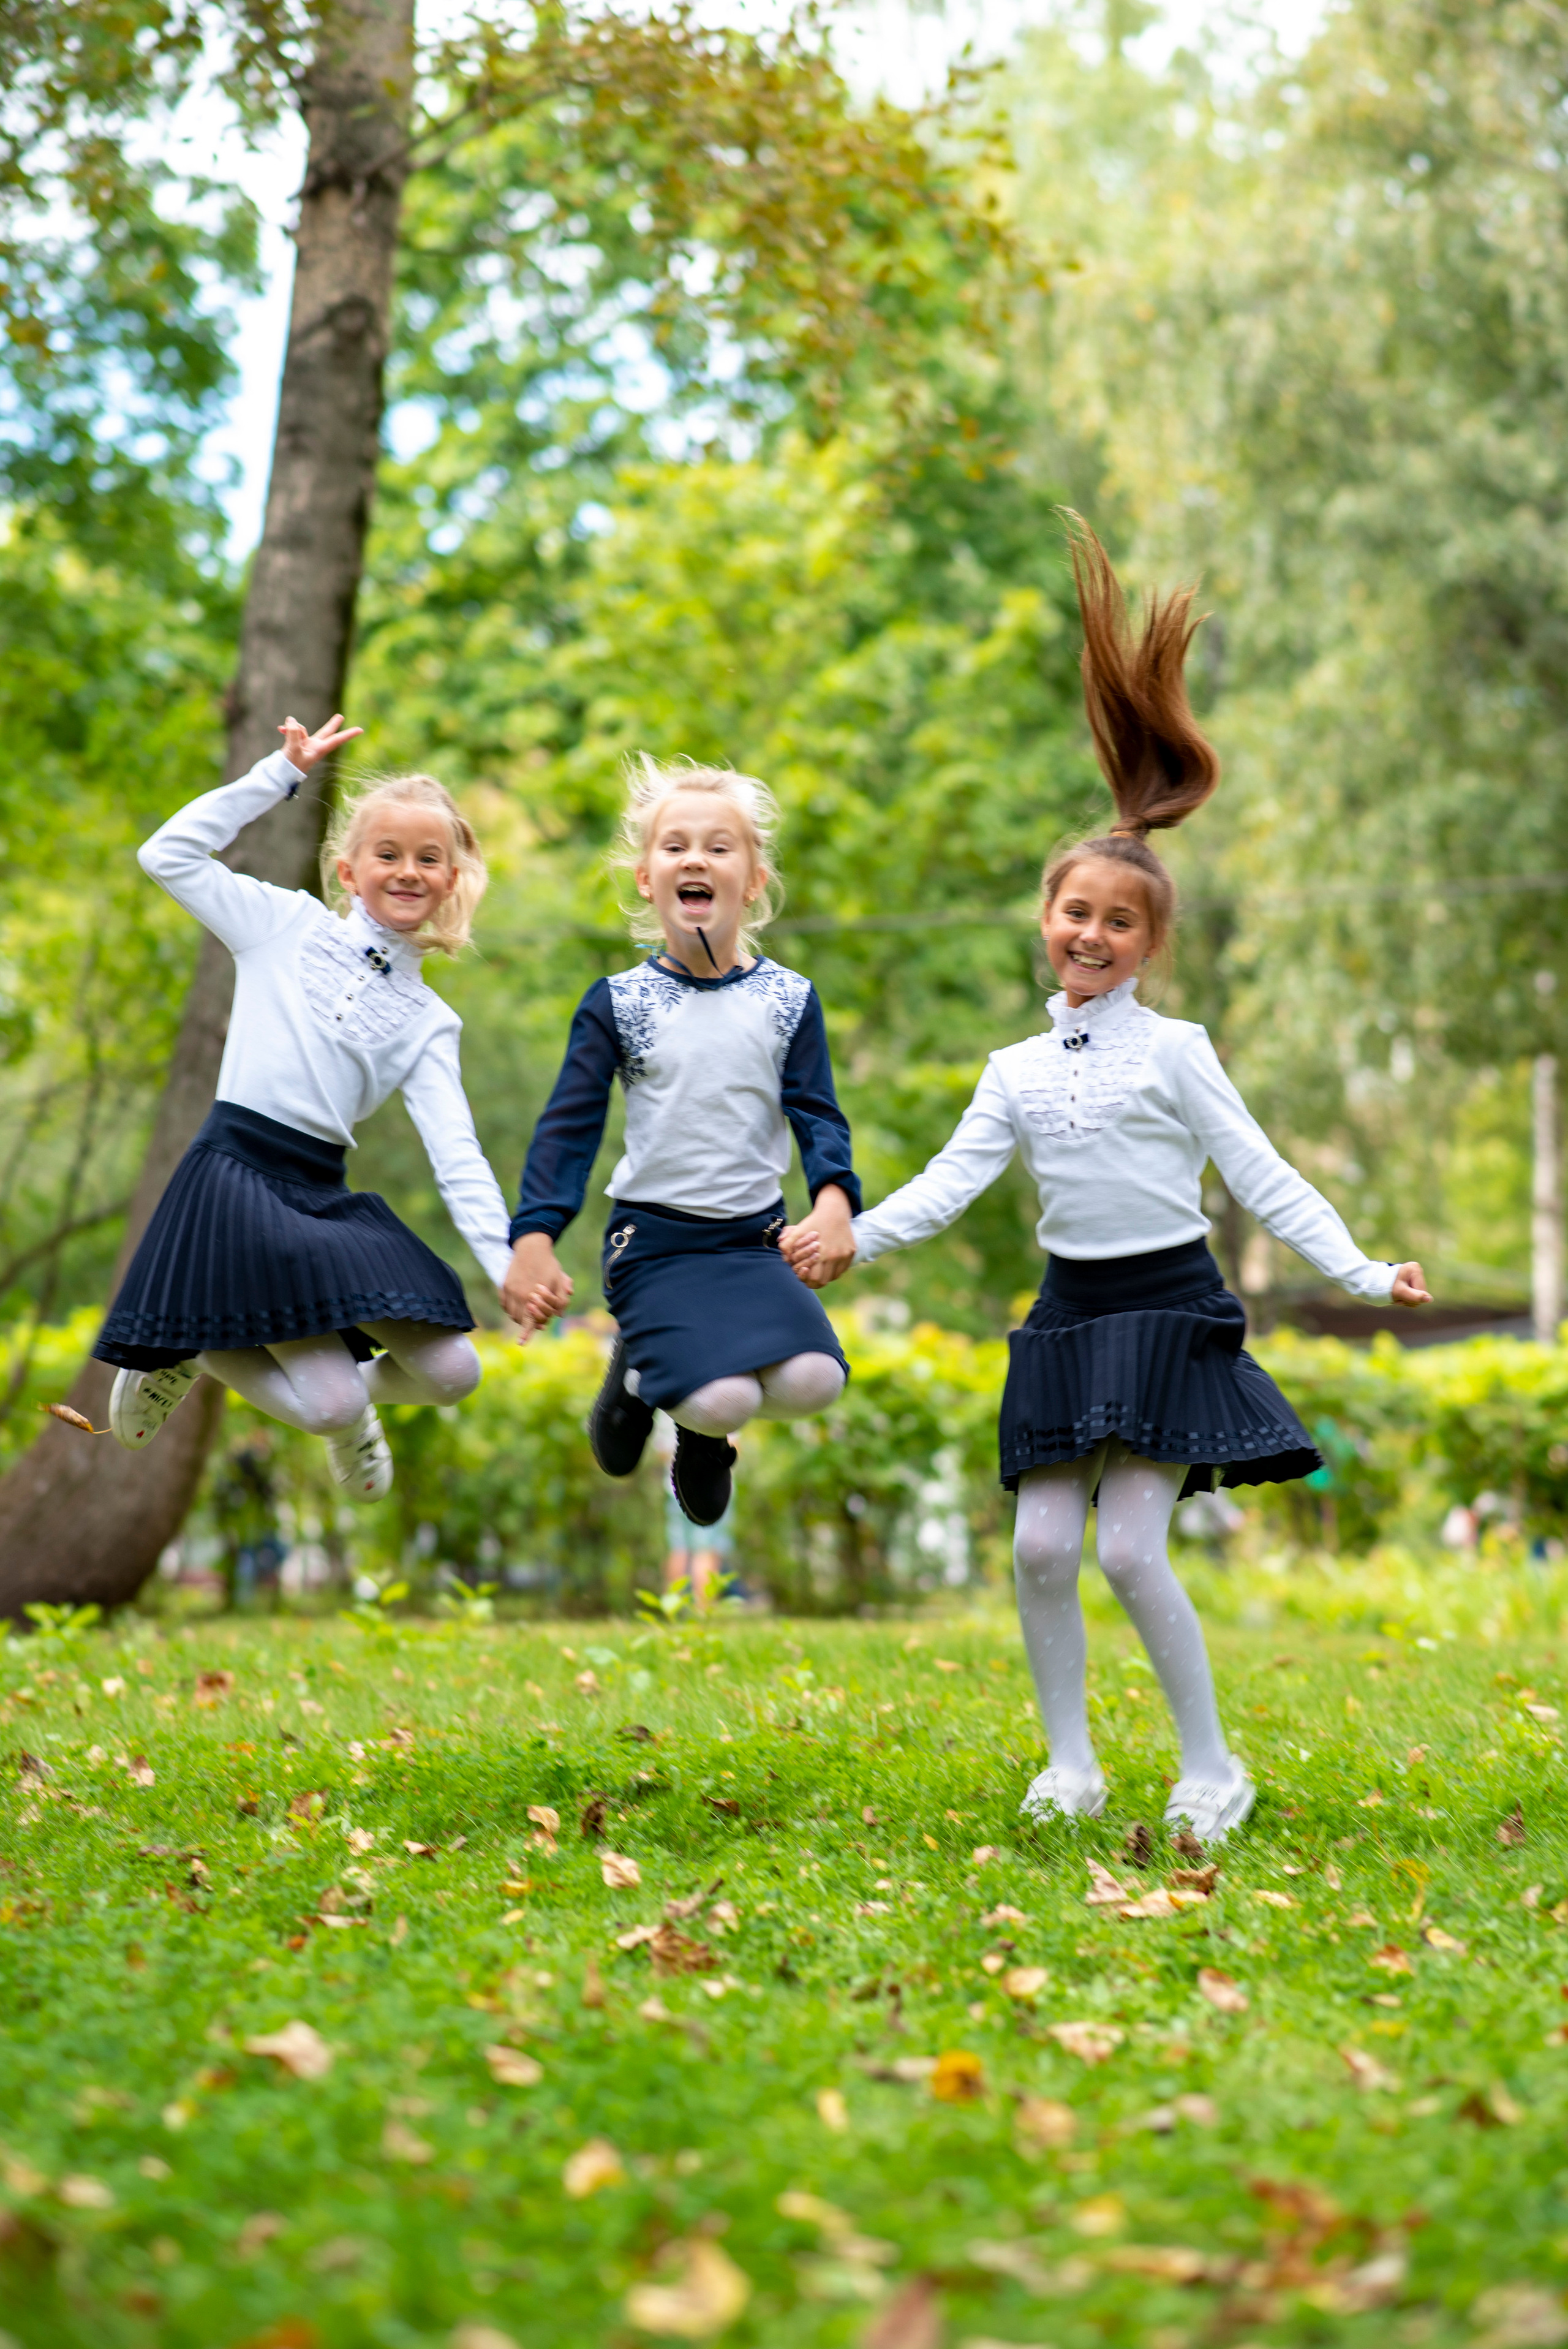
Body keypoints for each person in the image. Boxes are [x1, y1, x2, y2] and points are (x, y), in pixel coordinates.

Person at [785, 520, 1431, 1844]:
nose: (1091, 933)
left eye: (1118, 922)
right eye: (1074, 913)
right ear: (1046, 918)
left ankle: (1211, 1769)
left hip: (1169, 1307)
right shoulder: (1014, 1068)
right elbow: (951, 1184)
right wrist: (851, 1235)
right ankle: (1068, 1766)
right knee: (1033, 1550)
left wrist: (1359, 1270)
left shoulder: (1177, 1052)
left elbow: (1258, 1171)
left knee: (1131, 1551)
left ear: (1146, 945)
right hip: (1069, 1313)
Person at [95, 714, 514, 1500]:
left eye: (429, 858)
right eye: (387, 854)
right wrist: (276, 775)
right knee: (329, 1404)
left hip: (320, 1195)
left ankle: (248, 1354)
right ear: (349, 872)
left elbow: (457, 1156)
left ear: (451, 881)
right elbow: (167, 855)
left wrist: (508, 1264)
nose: (408, 870)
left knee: (455, 1370)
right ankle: (202, 1343)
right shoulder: (283, 926)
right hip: (235, 1179)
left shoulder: (430, 1022)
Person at [502, 755, 858, 1526]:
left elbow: (818, 1115)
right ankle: (669, 1398)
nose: (695, 858)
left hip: (753, 1241)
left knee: (814, 1383)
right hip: (654, 1242)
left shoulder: (788, 1000)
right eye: (675, 846)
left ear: (753, 881)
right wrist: (534, 1236)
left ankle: (692, 1421)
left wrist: (833, 1203)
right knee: (723, 1397)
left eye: (719, 847)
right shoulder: (618, 1003)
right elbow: (568, 1127)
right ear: (645, 877)